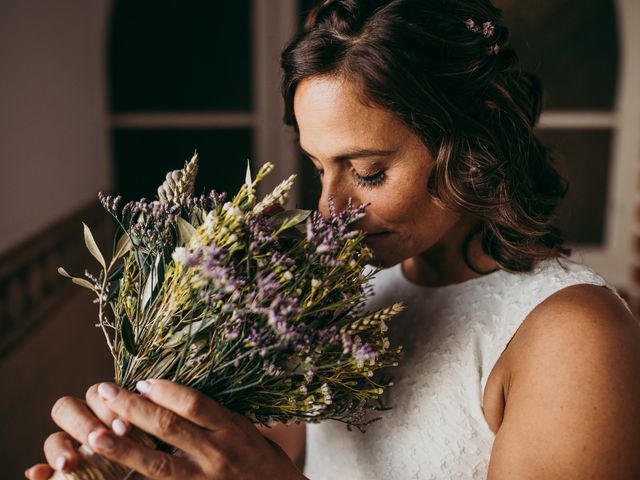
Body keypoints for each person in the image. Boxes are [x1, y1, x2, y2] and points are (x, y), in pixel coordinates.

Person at [25, 0, 640, 479]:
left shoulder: (573, 335)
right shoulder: (347, 294)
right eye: (321, 168)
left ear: (473, 141)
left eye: (369, 171)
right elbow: (287, 450)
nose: (330, 211)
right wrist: (146, 449)